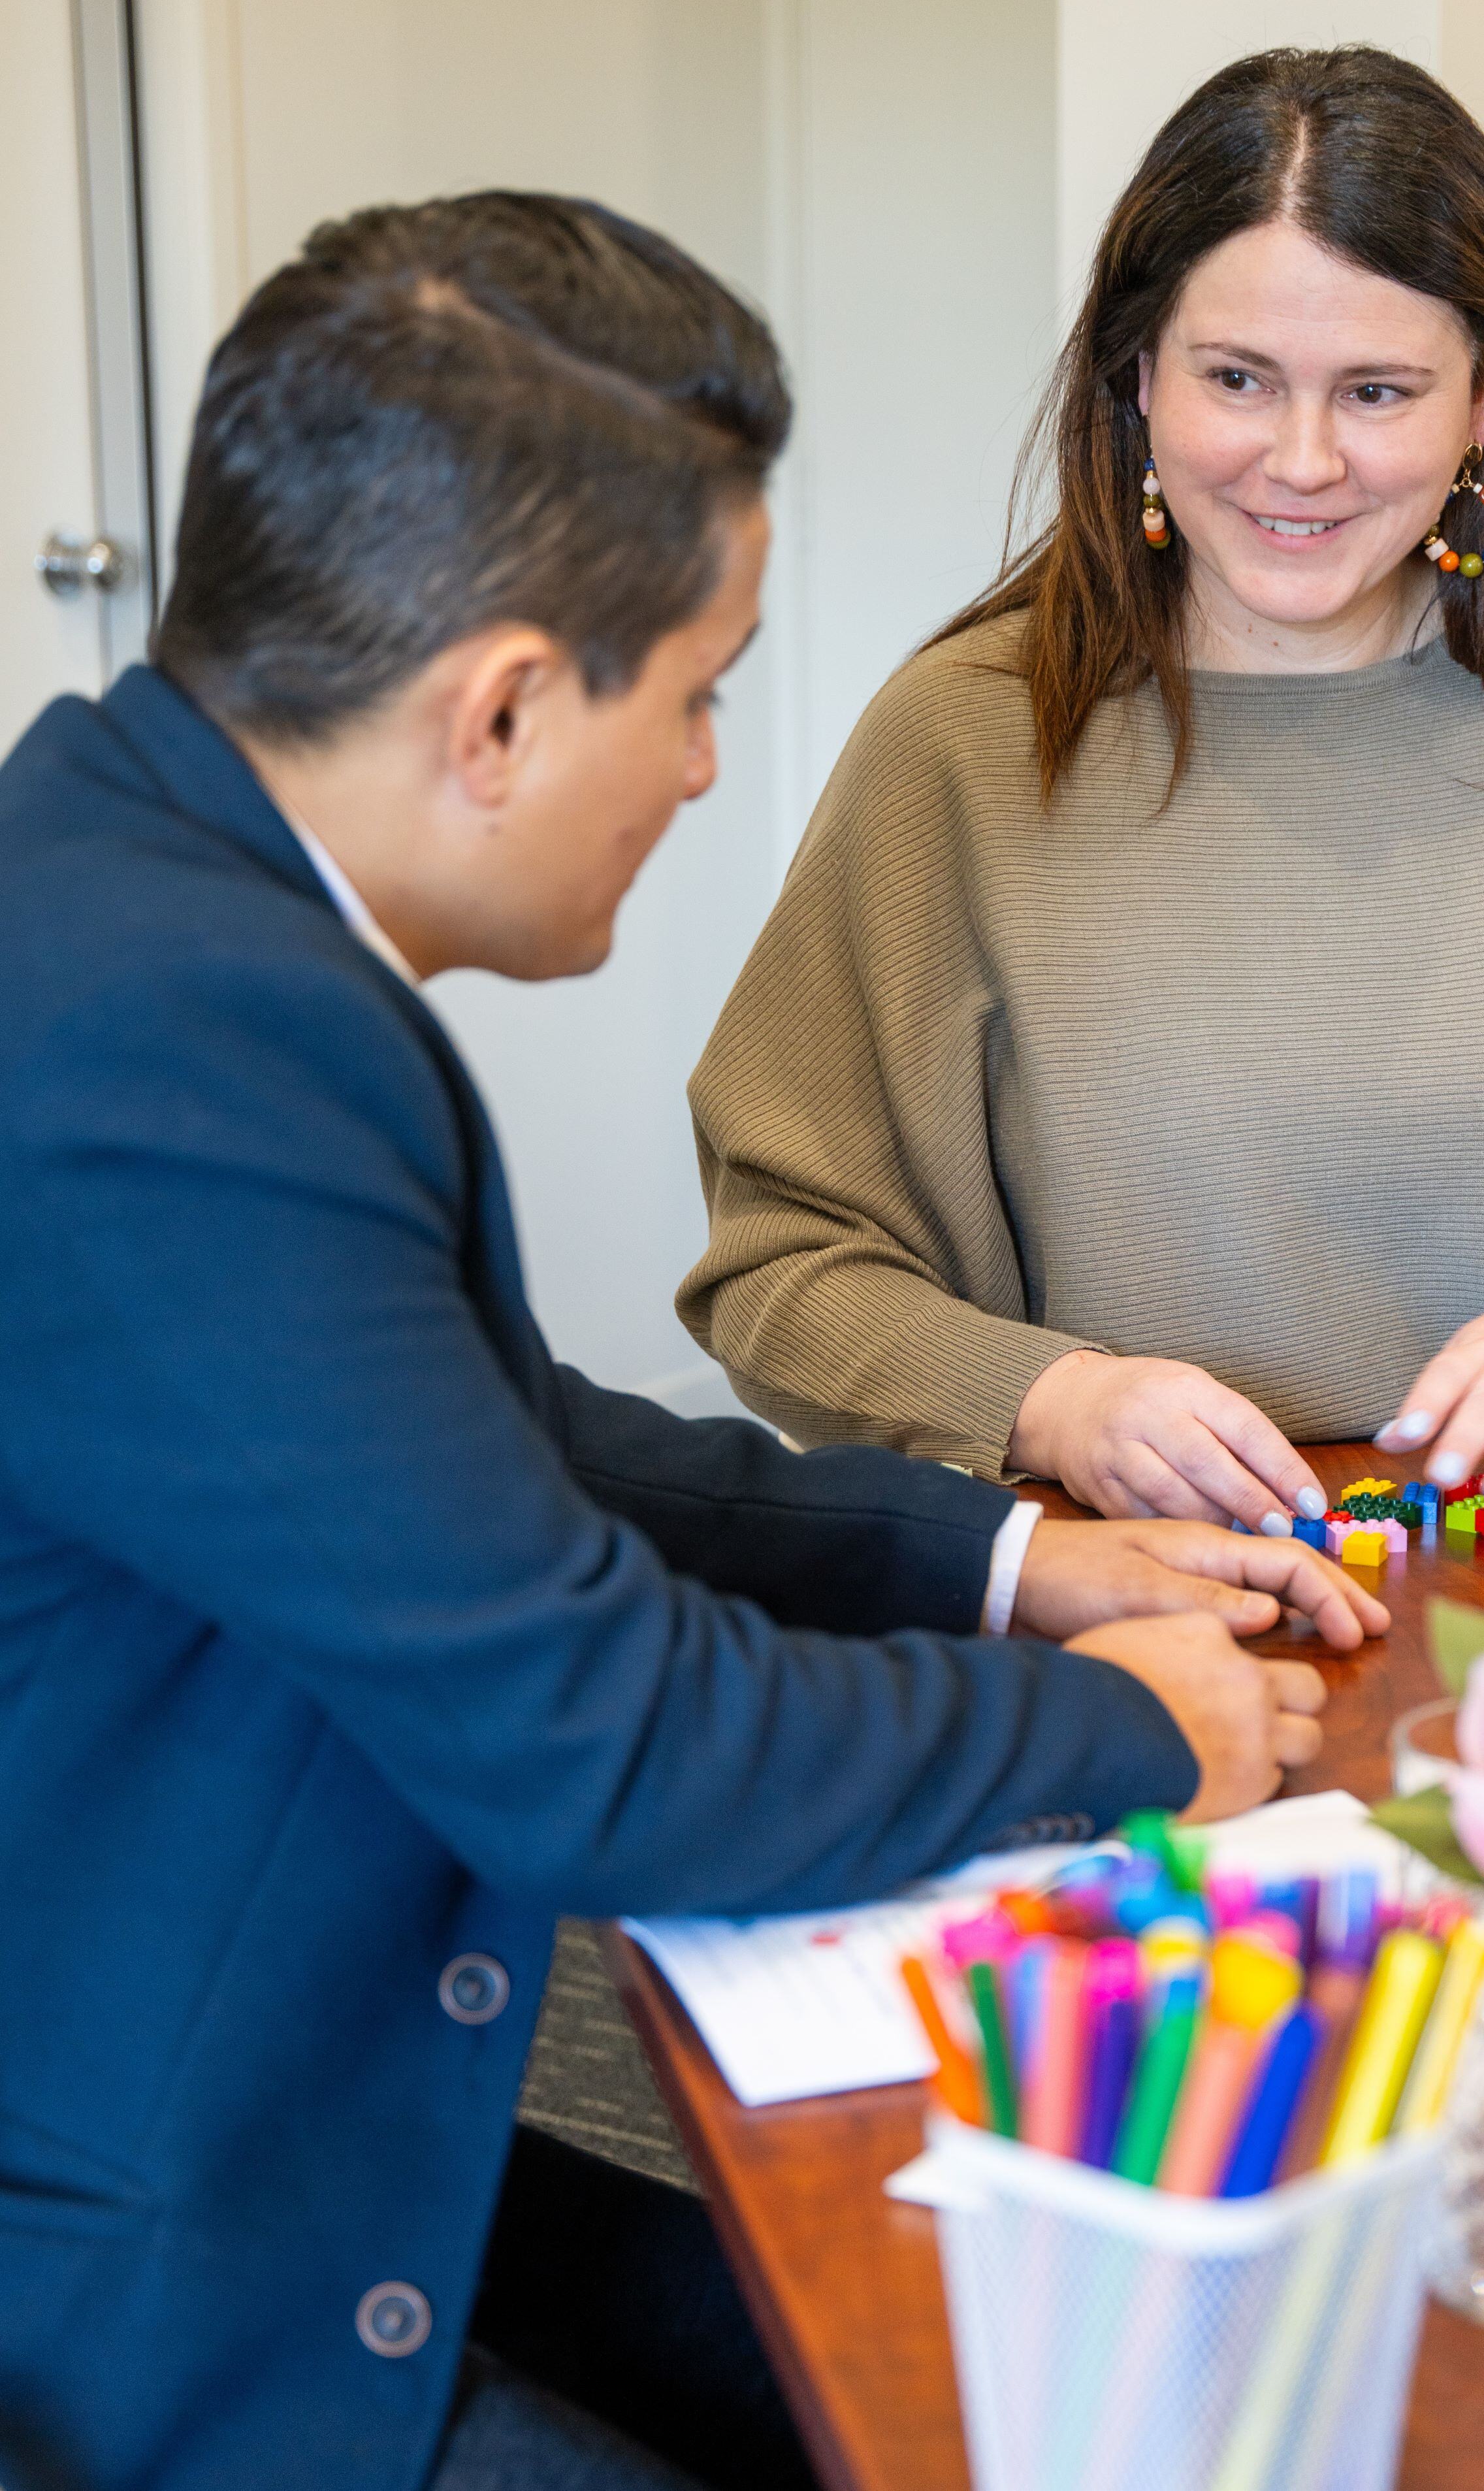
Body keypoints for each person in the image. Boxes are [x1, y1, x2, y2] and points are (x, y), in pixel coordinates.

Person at [0, 194, 1385, 2491]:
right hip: (158, 2279)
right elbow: (606, 1747)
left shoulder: (136, 878)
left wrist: (999, 1557)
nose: (712, 768)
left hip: (296, 2096)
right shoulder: (181, 1047)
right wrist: (1114, 1723)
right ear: (509, 706)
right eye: (703, 688)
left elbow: (504, 1448)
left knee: (981, 2370)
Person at [683, 46, 1484, 1523]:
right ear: (1137, 369)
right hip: (1114, 1608)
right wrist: (1051, 1402)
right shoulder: (958, 747)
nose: (1302, 462)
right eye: (1238, 379)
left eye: (1378, 391)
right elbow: (781, 1265)